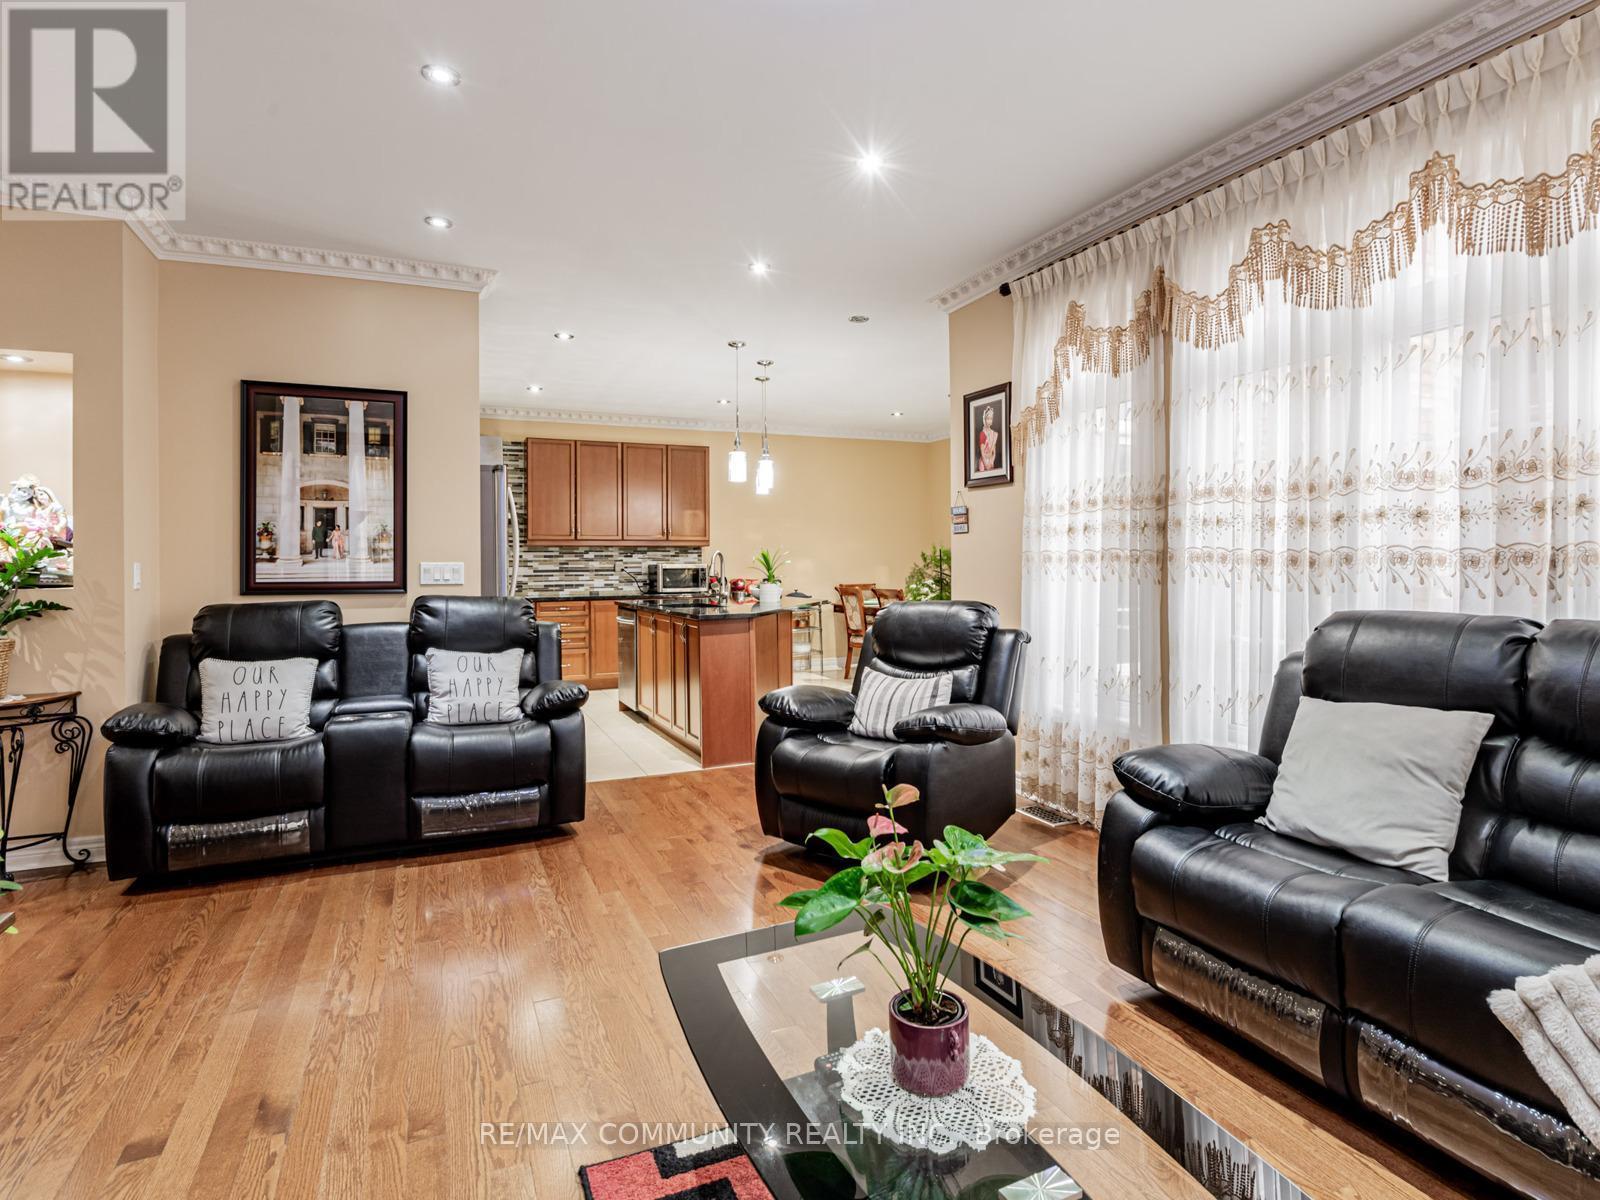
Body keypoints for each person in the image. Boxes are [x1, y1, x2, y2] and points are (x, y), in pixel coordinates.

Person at [977, 405, 999, 473]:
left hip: (991, 462)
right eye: (988, 419)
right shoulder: (982, 434)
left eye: (991, 419)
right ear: (984, 419)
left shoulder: (994, 434)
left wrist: (992, 461)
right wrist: (986, 465)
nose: (989, 421)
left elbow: (994, 452)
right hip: (984, 463)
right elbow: (982, 453)